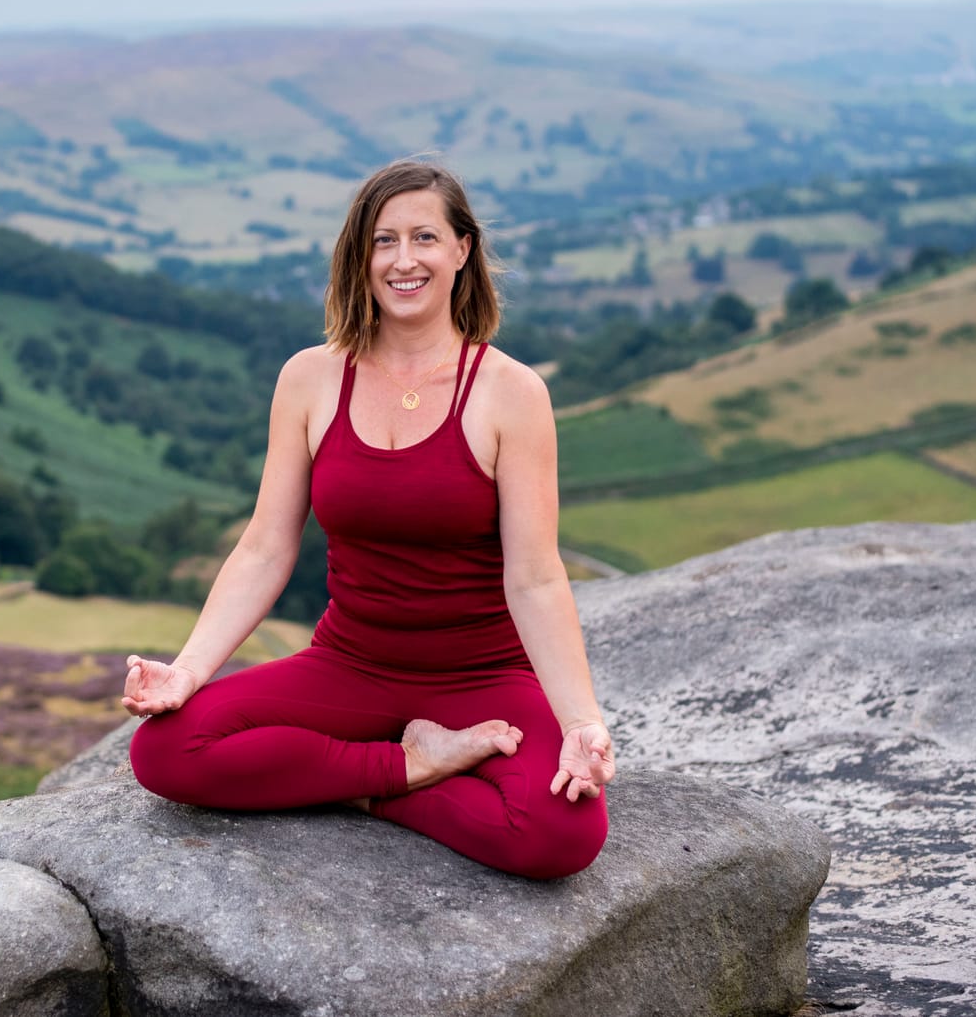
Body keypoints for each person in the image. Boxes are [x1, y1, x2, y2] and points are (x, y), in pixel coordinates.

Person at [122, 157, 615, 880]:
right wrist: (188, 671)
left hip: (483, 674)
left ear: (461, 251)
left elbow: (537, 578)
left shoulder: (512, 393)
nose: (404, 260)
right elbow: (264, 547)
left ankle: (354, 783)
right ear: (361, 257)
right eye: (384, 241)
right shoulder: (310, 379)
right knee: (165, 751)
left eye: (424, 237)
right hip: (351, 664)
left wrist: (581, 723)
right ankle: (410, 766)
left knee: (561, 836)